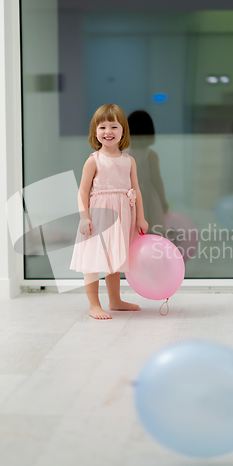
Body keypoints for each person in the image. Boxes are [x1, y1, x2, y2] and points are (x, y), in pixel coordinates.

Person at [70, 104, 149, 320]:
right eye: (102, 127)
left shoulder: (129, 161)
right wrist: (83, 217)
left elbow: (137, 191)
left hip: (123, 216)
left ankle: (115, 300)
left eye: (114, 127)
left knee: (114, 259)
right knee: (94, 259)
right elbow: (83, 191)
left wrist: (140, 217)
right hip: (99, 216)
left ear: (123, 131)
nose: (108, 132)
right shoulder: (93, 160)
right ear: (95, 132)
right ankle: (94, 304)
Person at [124, 110, 169, 236]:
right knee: (153, 230)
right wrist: (163, 201)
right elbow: (156, 180)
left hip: (130, 196)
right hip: (148, 197)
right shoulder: (150, 155)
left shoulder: (124, 154)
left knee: (133, 232)